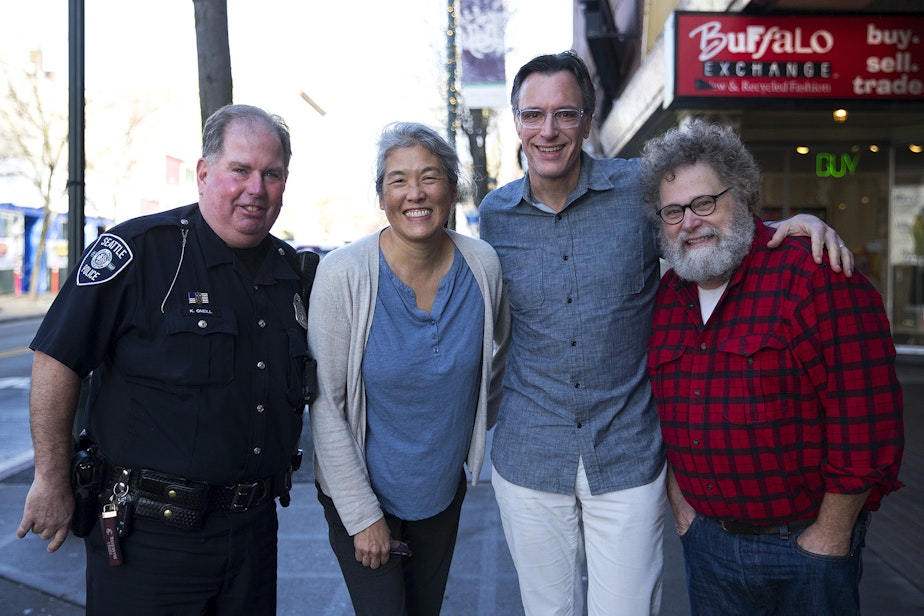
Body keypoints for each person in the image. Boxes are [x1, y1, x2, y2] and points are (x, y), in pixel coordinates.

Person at [477, 50, 854, 616]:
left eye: (565, 113)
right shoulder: (495, 214)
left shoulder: (636, 190)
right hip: (530, 454)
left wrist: (786, 227)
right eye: (533, 115)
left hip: (626, 451)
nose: (548, 130)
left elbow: (701, 229)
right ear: (516, 121)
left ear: (588, 119)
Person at [17, 104, 308, 615]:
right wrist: (50, 478)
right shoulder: (139, 252)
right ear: (203, 172)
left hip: (254, 534)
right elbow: (56, 361)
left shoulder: (293, 275)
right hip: (146, 539)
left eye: (272, 174)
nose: (256, 189)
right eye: (240, 169)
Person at [641, 118, 904, 616]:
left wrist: (830, 535)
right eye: (673, 211)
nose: (689, 222)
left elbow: (866, 422)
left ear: (743, 196)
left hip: (805, 549)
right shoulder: (668, 297)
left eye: (705, 202)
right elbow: (663, 412)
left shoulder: (814, 274)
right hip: (708, 547)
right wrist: (683, 512)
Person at [308, 122, 510, 616]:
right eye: (398, 180)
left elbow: (496, 360)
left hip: (440, 492)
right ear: (381, 196)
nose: (414, 193)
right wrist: (361, 516)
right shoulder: (343, 274)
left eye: (430, 177)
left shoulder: (482, 266)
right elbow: (327, 405)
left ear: (452, 188)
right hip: (360, 493)